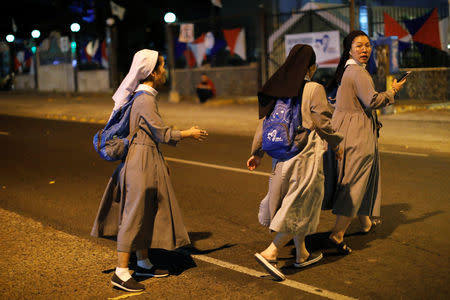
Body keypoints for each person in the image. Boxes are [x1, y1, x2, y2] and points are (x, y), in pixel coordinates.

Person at [91, 49, 208, 292]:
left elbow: (148, 134)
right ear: (152, 72)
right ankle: (121, 272)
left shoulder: (143, 97)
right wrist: (189, 133)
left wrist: (159, 160)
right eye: (162, 67)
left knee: (146, 211)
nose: (164, 71)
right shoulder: (144, 99)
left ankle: (143, 262)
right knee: (134, 214)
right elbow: (160, 132)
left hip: (146, 158)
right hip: (140, 163)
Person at [247, 44, 343, 281]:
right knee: (302, 203)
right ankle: (271, 251)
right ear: (311, 66)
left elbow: (264, 123)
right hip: (305, 155)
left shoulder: (278, 87)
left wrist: (257, 151)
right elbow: (322, 122)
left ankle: (302, 254)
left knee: (295, 202)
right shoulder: (314, 88)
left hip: (280, 155)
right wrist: (336, 143)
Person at [327, 30, 406, 254]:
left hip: (345, 131)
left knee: (361, 177)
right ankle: (337, 234)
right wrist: (392, 92)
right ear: (349, 49)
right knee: (355, 182)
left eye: (367, 45)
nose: (365, 50)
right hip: (358, 134)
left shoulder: (346, 71)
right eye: (359, 46)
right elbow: (372, 101)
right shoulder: (358, 73)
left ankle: (365, 223)